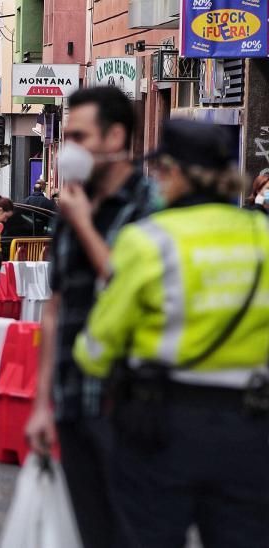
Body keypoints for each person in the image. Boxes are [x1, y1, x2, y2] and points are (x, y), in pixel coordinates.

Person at [74, 119, 269, 548]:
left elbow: (95, 349)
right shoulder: (263, 236)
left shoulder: (149, 241)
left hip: (159, 427)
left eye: (160, 171)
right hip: (252, 429)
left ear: (177, 172)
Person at [24, 86, 157, 548]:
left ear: (115, 136)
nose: (69, 149)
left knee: (133, 532)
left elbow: (137, 290)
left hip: (129, 404)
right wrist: (43, 403)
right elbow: (56, 306)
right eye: (67, 137)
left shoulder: (151, 209)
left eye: (80, 136)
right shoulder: (72, 206)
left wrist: (82, 223)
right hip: (73, 399)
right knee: (90, 532)